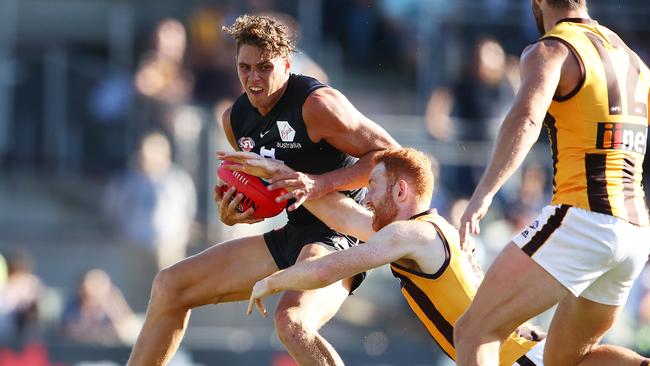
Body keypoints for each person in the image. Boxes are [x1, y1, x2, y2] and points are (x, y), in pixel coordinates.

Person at [127, 14, 399, 366]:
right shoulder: (235, 120)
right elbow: (267, 196)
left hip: (340, 236)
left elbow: (393, 157)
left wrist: (319, 184)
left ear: (287, 65)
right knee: (169, 286)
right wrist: (236, 211)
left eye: (265, 67)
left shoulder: (317, 105)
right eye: (245, 67)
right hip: (293, 233)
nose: (254, 78)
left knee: (291, 321)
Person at [454, 1, 650, 365]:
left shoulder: (553, 48)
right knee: (564, 360)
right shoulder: (632, 58)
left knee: (474, 332)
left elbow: (526, 120)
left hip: (585, 218)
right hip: (635, 232)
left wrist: (483, 194)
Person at [225, 148, 545, 365]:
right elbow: (346, 218)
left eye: (373, 187)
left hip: (519, 357)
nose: (367, 200)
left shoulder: (409, 234)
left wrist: (271, 281)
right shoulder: (423, 231)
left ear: (401, 192)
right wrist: (278, 173)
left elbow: (326, 270)